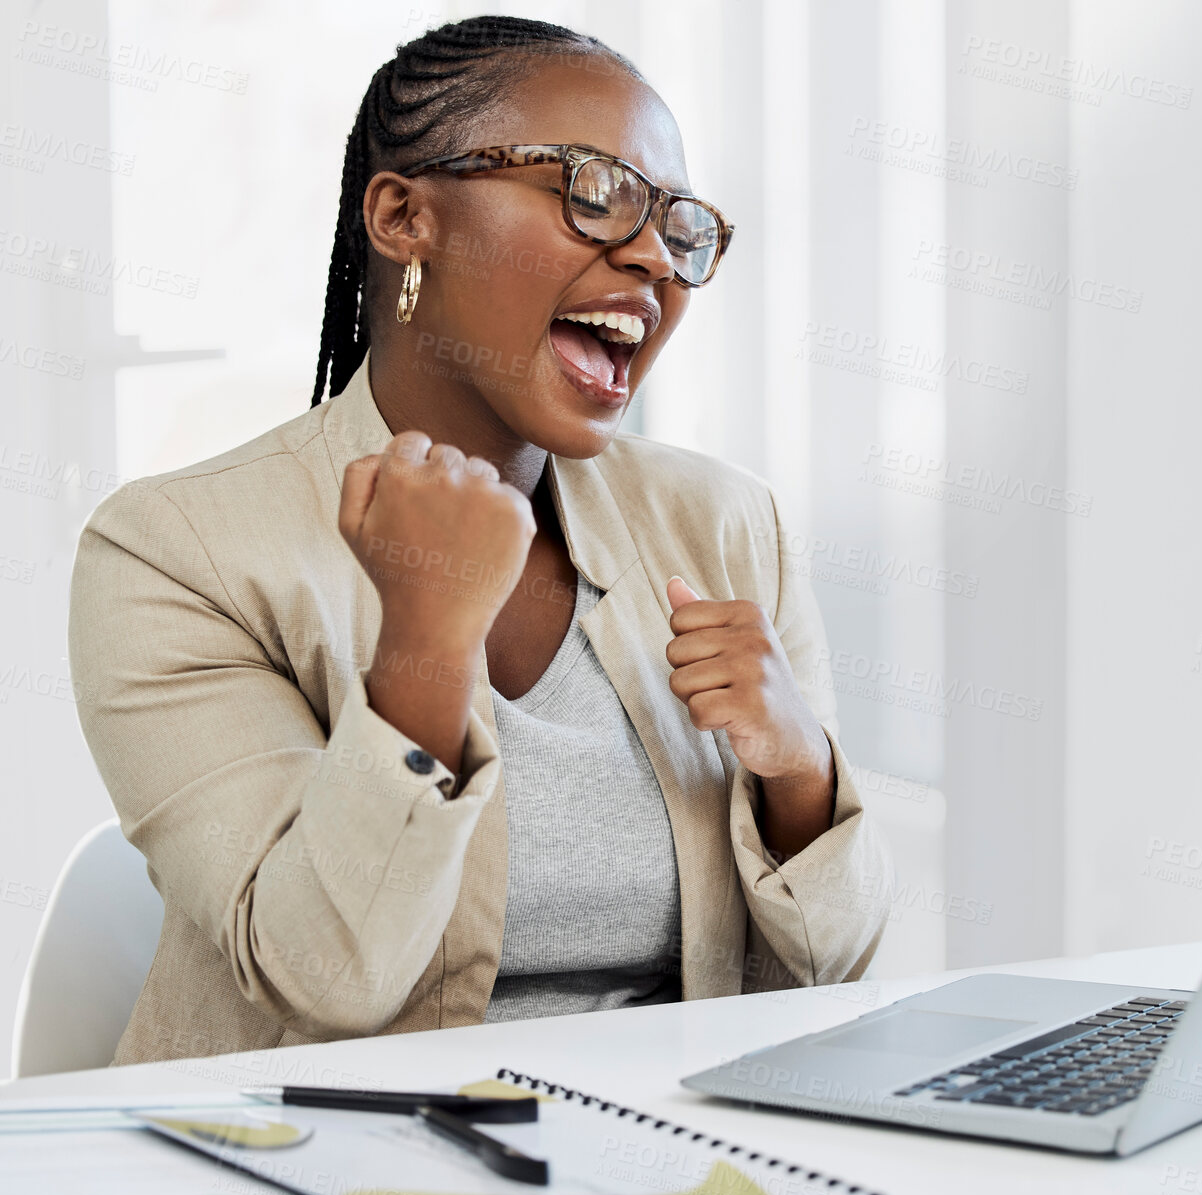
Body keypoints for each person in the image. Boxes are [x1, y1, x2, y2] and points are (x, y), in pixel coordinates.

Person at [67, 16, 892, 1066]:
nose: (652, 259)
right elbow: (325, 981)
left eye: (681, 229)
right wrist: (424, 639)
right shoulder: (176, 551)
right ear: (404, 216)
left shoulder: (725, 524)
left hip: (661, 1155)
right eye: (593, 193)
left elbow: (835, 968)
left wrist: (797, 773)